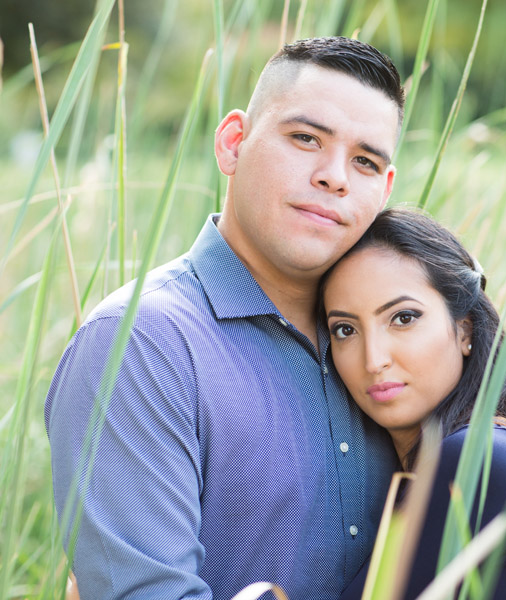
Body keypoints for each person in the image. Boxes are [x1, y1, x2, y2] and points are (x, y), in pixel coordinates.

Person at [45, 37, 405, 599]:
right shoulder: (138, 345)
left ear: (383, 189)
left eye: (364, 161)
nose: (335, 176)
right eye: (305, 138)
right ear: (233, 142)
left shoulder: (399, 341)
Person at [321, 208, 506, 599]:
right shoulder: (481, 451)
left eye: (403, 318)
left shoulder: (479, 456)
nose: (373, 360)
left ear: (464, 330)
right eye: (345, 329)